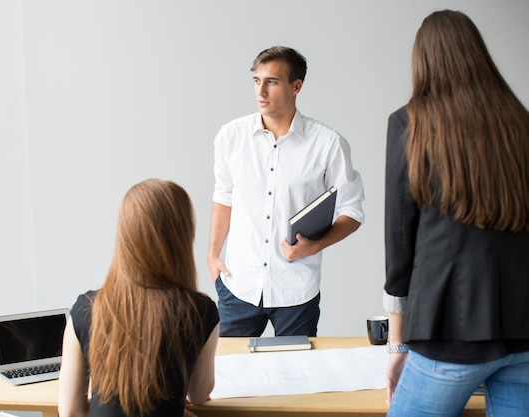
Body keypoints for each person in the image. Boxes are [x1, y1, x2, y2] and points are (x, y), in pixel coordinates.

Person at [384, 10, 529, 416]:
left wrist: (397, 344)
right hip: (523, 331)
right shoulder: (520, 124)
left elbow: (400, 243)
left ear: (424, 61)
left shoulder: (410, 123)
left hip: (449, 330)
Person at [208, 46, 365, 337]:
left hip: (296, 290)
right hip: (239, 285)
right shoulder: (231, 136)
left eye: (272, 82)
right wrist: (213, 254)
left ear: (296, 86)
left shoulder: (328, 144)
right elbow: (224, 196)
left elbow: (352, 210)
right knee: (231, 374)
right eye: (257, 80)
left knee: (296, 377)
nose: (261, 91)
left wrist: (315, 245)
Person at [58, 178, 220, 417]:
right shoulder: (200, 310)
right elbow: (198, 394)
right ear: (183, 236)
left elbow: (70, 411)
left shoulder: (86, 309)